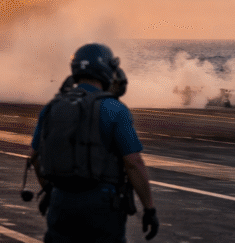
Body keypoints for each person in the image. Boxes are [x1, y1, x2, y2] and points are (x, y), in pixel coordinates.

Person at [30, 43, 158, 242]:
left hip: (61, 201)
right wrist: (149, 208)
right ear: (105, 69)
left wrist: (50, 190)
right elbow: (133, 162)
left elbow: (35, 157)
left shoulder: (52, 107)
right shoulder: (114, 109)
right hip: (102, 205)